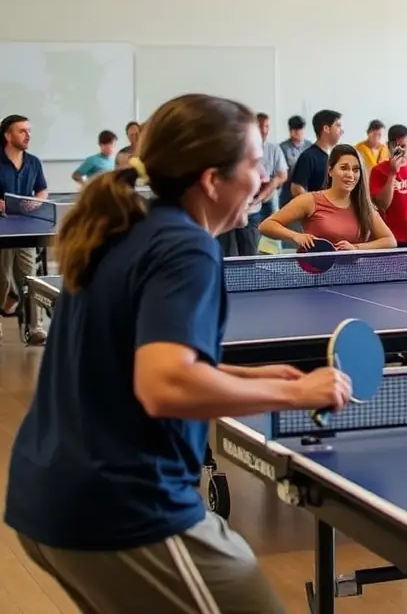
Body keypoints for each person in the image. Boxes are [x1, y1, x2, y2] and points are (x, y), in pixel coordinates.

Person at [3, 94, 352, 613]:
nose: (262, 180)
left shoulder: (126, 225)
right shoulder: (187, 248)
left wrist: (253, 378)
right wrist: (293, 390)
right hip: (126, 507)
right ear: (211, 179)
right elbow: (164, 384)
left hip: (49, 493)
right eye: (254, 165)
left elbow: (131, 358)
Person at [260, 143, 396, 251]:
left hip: (353, 278)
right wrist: (296, 236)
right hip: (316, 277)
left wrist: (356, 248)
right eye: (344, 168)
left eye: (356, 170)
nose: (351, 174)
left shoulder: (363, 205)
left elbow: (390, 240)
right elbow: (266, 226)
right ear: (330, 170)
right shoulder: (310, 200)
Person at [0, 114, 50, 345]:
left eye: (29, 130)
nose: (28, 134)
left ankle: (35, 328)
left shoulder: (33, 162)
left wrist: (38, 201)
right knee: (3, 281)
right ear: (8, 135)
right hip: (1, 229)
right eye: (22, 131)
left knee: (30, 279)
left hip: (26, 229)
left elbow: (42, 190)